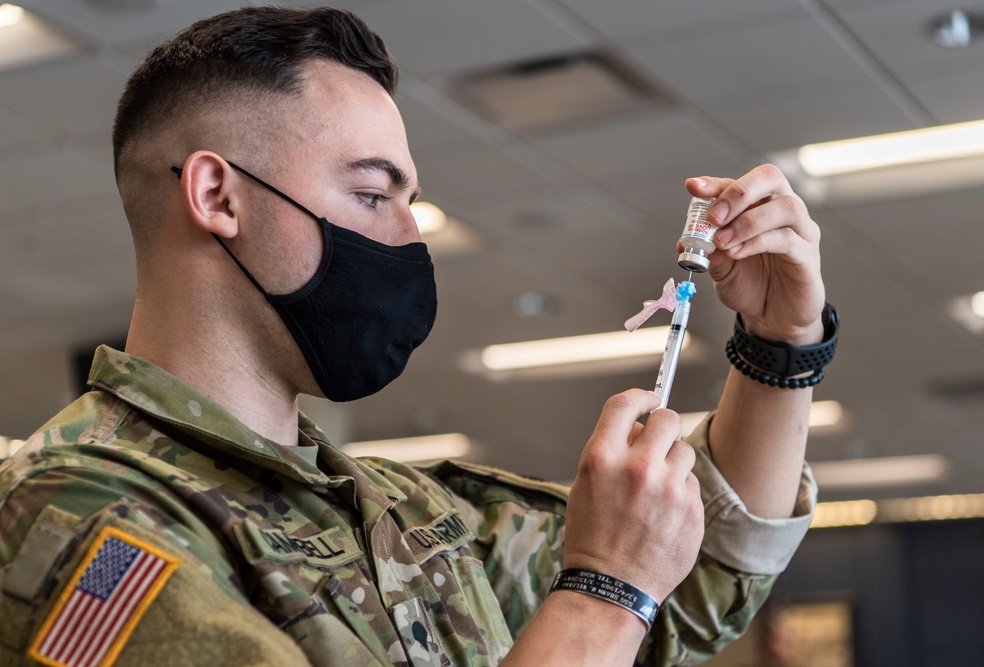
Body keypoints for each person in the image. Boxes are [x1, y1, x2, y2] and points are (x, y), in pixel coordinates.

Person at [0, 6, 834, 667]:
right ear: (220, 195)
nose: (408, 238)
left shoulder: (408, 516)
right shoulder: (71, 516)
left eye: (412, 203)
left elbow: (698, 575)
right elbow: (628, 593)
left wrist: (779, 343)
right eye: (372, 195)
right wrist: (602, 590)